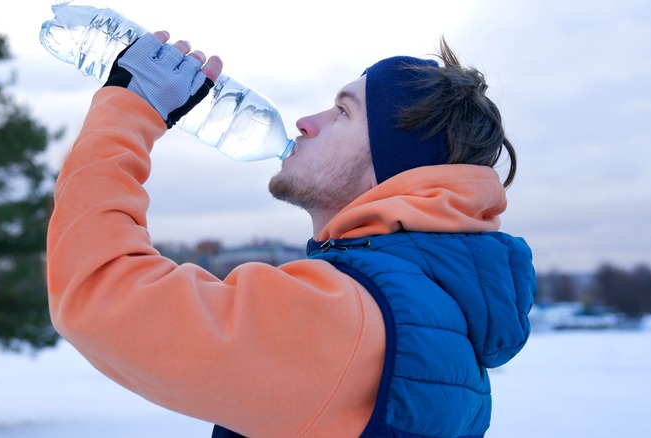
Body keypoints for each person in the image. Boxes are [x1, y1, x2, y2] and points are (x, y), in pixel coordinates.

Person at [46, 29, 536, 438]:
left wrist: (129, 108)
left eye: (343, 112)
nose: (305, 123)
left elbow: (100, 294)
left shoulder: (353, 317)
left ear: (392, 165)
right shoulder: (427, 308)